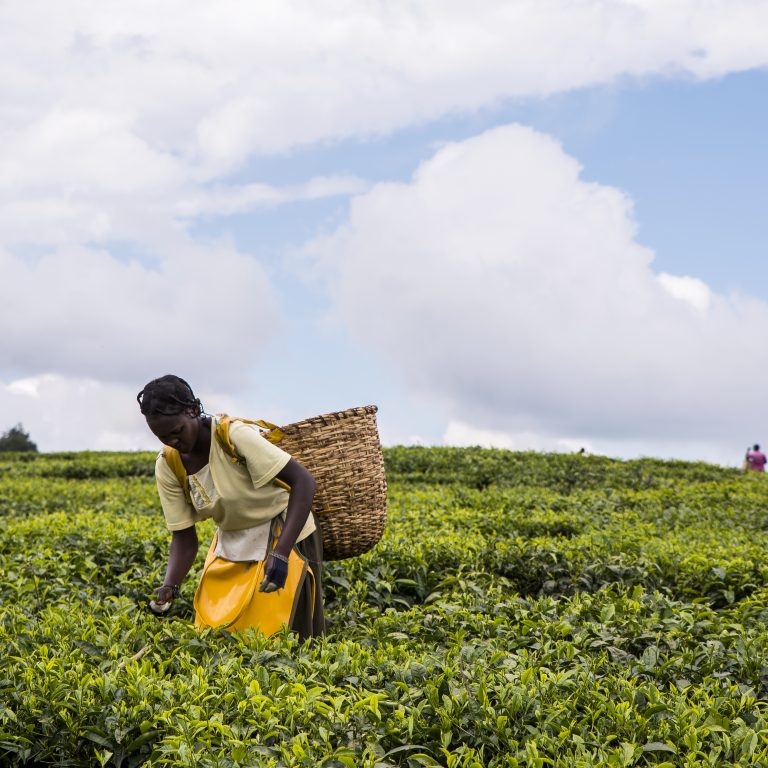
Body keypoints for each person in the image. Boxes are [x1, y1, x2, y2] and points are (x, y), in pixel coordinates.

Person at [137, 374, 324, 640]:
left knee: (286, 633)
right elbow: (184, 537)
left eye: (177, 432)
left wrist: (281, 553)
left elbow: (303, 482)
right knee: (224, 634)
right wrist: (170, 585)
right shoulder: (168, 464)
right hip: (233, 541)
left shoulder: (233, 436)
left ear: (192, 410)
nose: (173, 442)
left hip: (286, 534)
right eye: (163, 437)